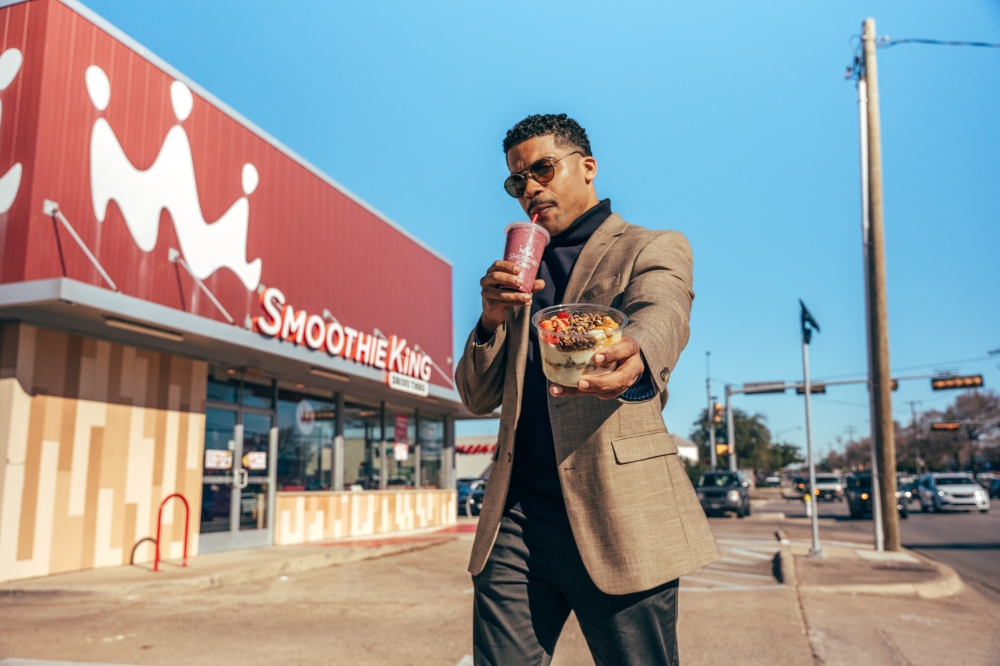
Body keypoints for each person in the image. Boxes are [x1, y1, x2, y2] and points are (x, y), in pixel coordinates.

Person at [456, 114, 720, 666]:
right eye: (516, 181)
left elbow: (663, 308)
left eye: (542, 169)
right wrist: (489, 321)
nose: (530, 187)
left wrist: (639, 353)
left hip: (616, 512)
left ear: (588, 167)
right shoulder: (515, 274)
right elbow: (477, 398)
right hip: (518, 524)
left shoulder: (649, 245)